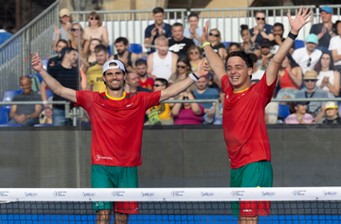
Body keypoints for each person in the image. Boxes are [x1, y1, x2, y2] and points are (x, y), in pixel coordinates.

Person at [31, 52, 207, 224]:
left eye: (117, 73)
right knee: (103, 217)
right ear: (104, 78)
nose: (114, 77)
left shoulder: (139, 99)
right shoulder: (92, 99)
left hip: (128, 169)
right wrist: (41, 70)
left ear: (124, 77)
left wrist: (196, 75)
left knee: (122, 219)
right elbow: (58, 89)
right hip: (102, 168)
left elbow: (169, 92)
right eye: (110, 74)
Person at [201, 6, 311, 223]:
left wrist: (292, 33)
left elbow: (276, 61)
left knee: (249, 219)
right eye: (230, 67)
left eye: (238, 67)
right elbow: (215, 64)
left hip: (255, 162)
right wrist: (205, 44)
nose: (232, 71)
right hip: (236, 164)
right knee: (243, 218)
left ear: (250, 70)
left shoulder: (259, 91)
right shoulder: (228, 89)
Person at [40, 47, 80, 126]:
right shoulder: (55, 69)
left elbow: (79, 88)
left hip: (74, 109)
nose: (76, 57)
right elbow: (43, 86)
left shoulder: (76, 71)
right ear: (67, 54)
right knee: (59, 136)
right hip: (59, 108)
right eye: (74, 54)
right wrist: (46, 105)